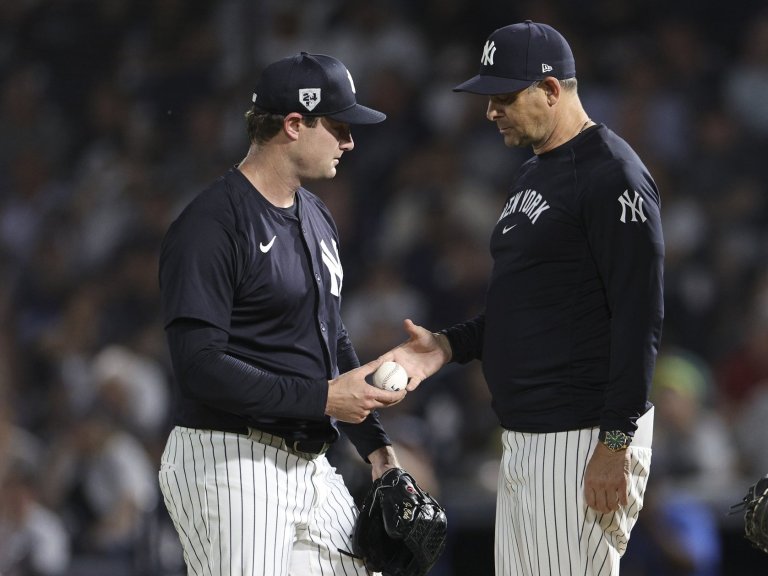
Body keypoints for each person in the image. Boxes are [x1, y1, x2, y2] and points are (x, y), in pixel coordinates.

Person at [385, 21, 664, 575]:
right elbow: (527, 306)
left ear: (552, 90)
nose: (491, 110)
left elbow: (639, 316)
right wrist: (449, 345)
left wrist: (614, 441)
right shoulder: (535, 171)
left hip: (581, 437)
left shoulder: (613, 175)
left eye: (505, 96)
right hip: (527, 436)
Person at [157, 52, 406, 576]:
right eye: (339, 127)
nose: (350, 141)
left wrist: (379, 451)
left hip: (310, 463)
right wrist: (322, 398)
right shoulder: (211, 224)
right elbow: (198, 365)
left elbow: (331, 340)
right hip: (228, 461)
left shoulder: (316, 215)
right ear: (294, 125)